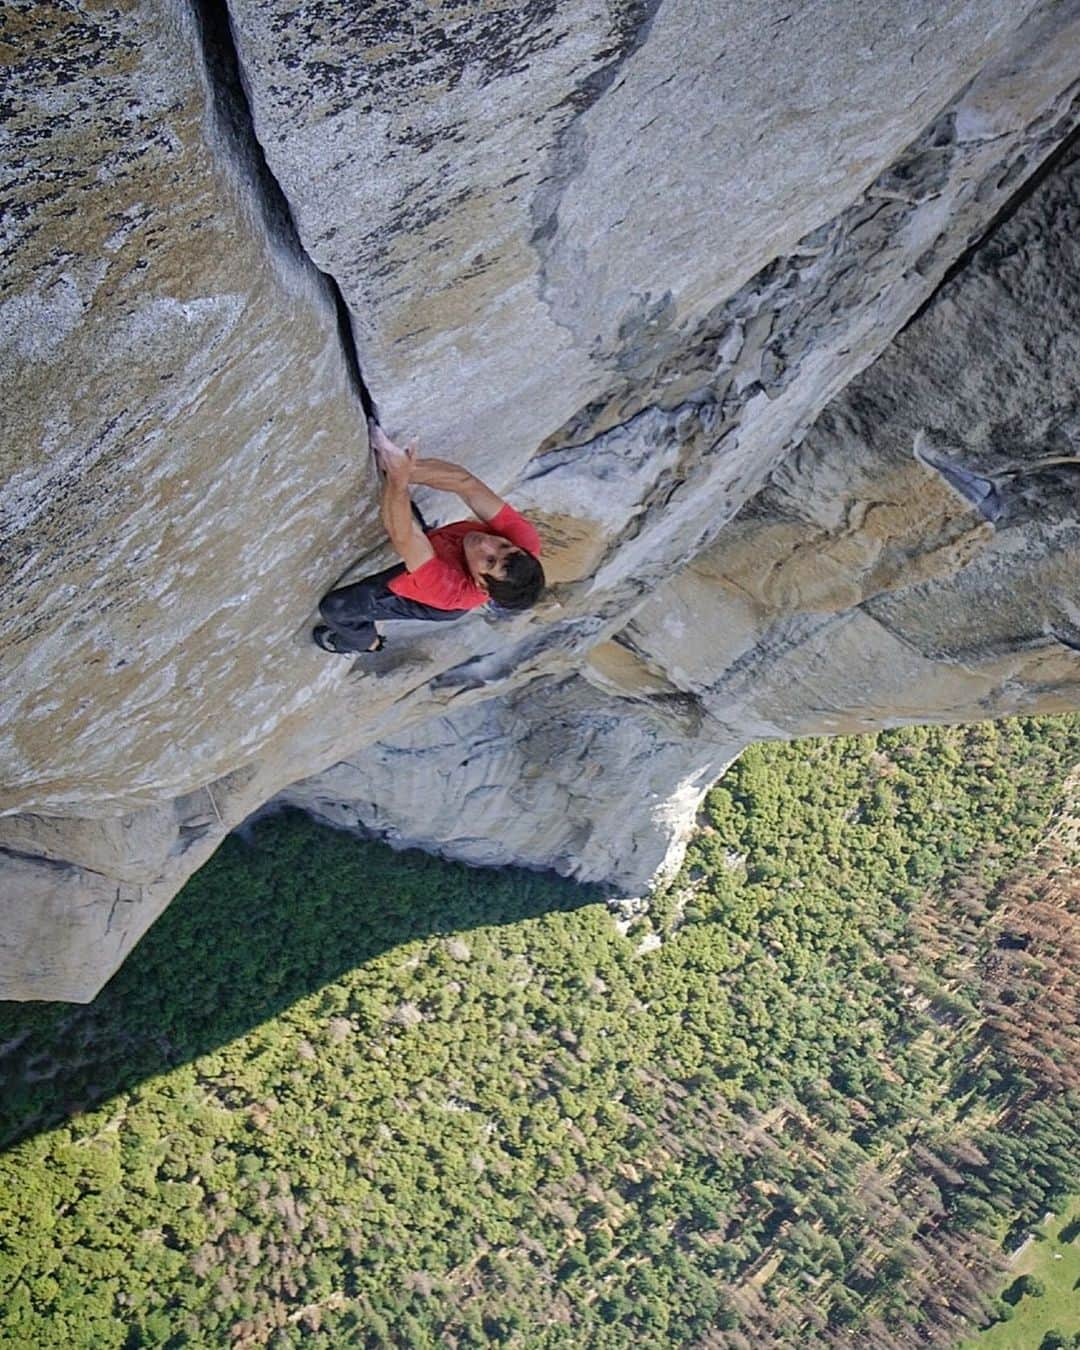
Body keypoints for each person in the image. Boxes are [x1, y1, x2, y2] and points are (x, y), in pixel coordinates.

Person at [313, 424, 545, 655]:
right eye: (503, 545)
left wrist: (398, 480)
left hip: (430, 599)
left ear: (481, 584)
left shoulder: (449, 589)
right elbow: (466, 484)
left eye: (490, 561)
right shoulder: (524, 541)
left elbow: (404, 536)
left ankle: (364, 643)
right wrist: (403, 467)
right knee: (418, 532)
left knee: (336, 608)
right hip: (441, 557)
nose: (485, 542)